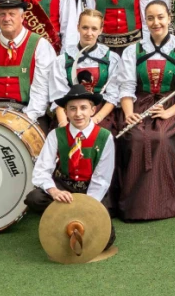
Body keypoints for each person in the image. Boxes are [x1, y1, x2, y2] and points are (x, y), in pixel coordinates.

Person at [115, 1, 175, 220]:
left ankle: (165, 202)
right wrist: (129, 114)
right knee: (135, 136)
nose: (156, 22)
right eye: (150, 18)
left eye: (160, 17)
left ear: (169, 18)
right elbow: (126, 87)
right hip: (140, 103)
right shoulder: (133, 50)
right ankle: (135, 204)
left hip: (172, 106)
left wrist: (168, 113)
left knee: (160, 137)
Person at [25, 84, 116, 251]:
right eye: (72, 109)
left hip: (90, 189)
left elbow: (102, 178)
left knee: (106, 240)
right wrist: (54, 191)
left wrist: (85, 206)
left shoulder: (104, 137)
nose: (78, 113)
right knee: (35, 198)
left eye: (83, 108)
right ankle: (58, 220)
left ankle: (71, 218)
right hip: (63, 186)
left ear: (93, 110)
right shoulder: (55, 135)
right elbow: (41, 170)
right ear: (65, 112)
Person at [0, 0, 63, 129]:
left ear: (22, 17)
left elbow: (41, 91)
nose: (7, 19)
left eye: (12, 14)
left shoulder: (41, 46)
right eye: (2, 15)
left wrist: (26, 118)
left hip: (29, 114)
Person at [58, 9, 120, 129]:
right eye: (85, 27)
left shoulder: (111, 58)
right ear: (78, 27)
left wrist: (95, 119)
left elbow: (113, 96)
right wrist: (64, 125)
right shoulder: (62, 60)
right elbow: (59, 96)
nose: (89, 33)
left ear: (101, 30)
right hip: (71, 111)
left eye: (94, 29)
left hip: (100, 111)